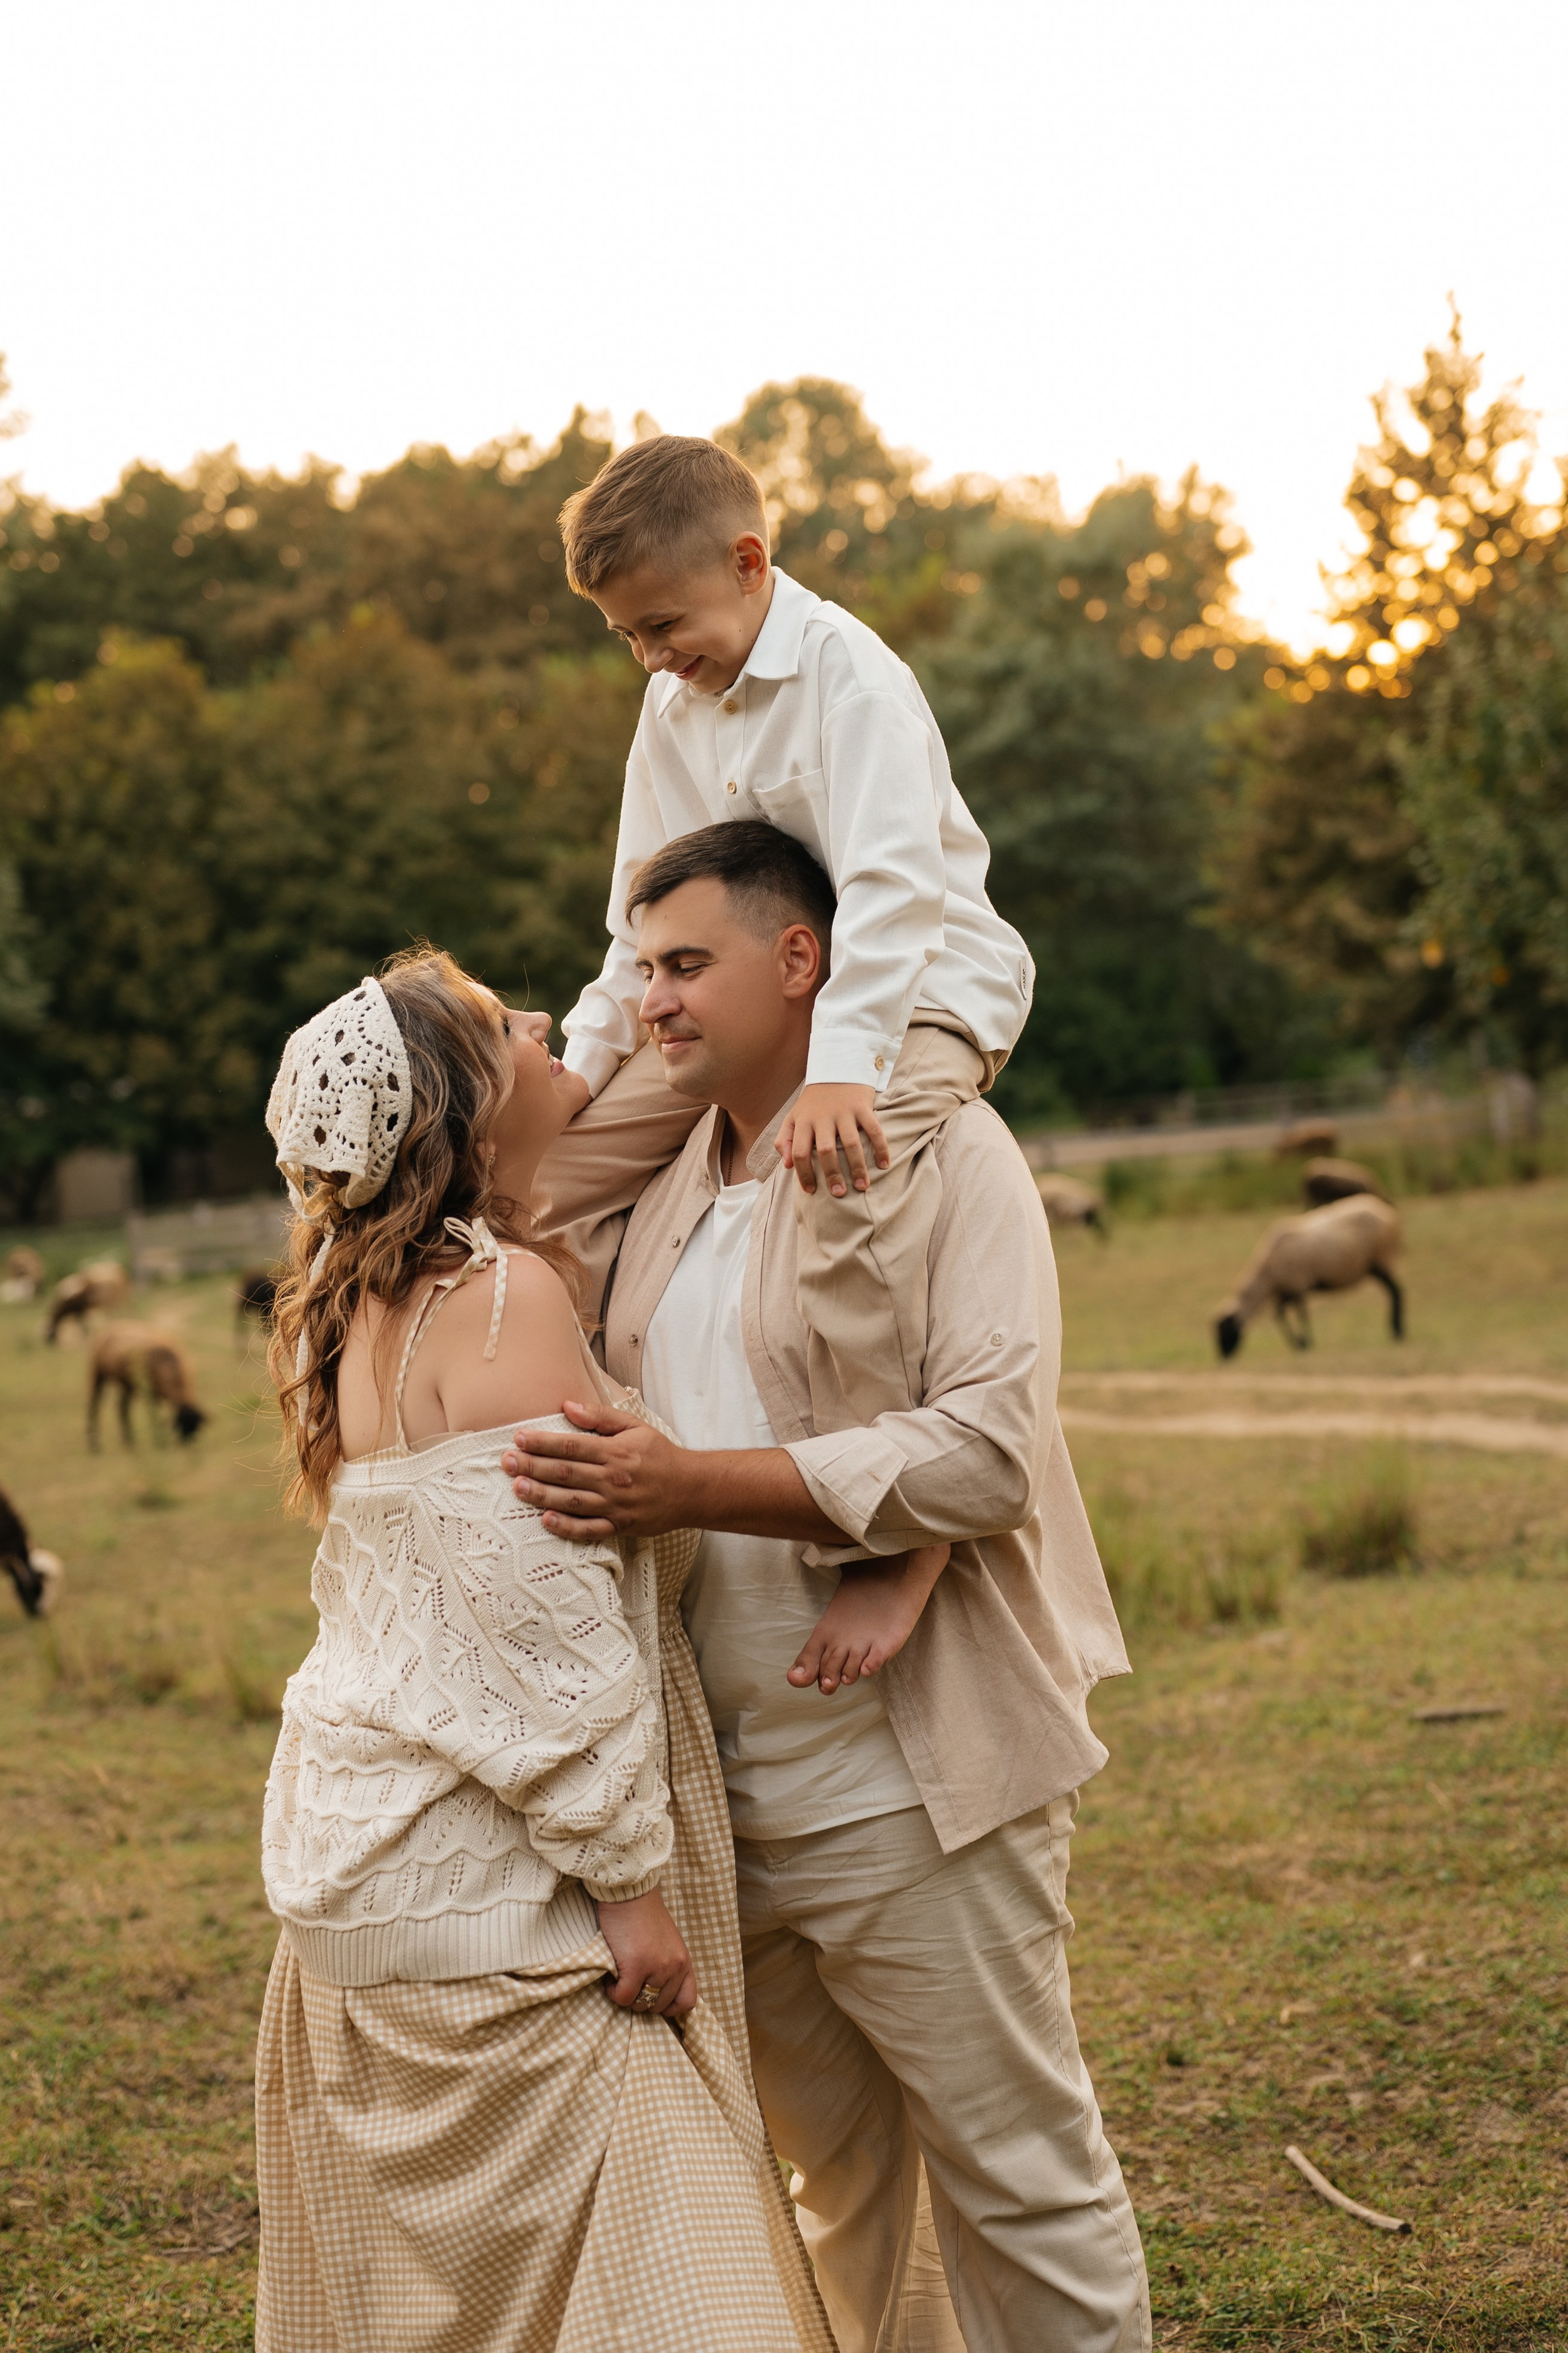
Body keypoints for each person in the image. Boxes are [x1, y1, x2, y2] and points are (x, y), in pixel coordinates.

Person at [517, 825, 1153, 2353]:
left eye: (684, 965)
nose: (650, 1002)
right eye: (643, 967)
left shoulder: (948, 1157)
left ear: (800, 957)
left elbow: (987, 1449)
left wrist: (695, 1487)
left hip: (907, 1783)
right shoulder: (663, 1185)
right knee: (831, 2188)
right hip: (721, 1806)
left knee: (1016, 2178)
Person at [253, 948, 837, 2353]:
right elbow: (547, 1637)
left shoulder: (361, 1299)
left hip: (351, 1852)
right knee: (688, 2295)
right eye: (497, 1020)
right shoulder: (505, 1301)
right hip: (491, 1887)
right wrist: (628, 1889)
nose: (539, 1017)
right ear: (462, 1102)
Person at [551, 433, 1035, 1440]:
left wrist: (844, 1070)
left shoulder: (849, 678)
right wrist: (581, 1069)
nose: (649, 656)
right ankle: (591, 1424)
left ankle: (873, 1506)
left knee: (843, 1179)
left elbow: (894, 890)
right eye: (625, 635)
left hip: (919, 993)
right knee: (553, 1177)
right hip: (746, 998)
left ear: (748, 563)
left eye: (662, 624)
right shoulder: (671, 705)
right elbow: (638, 913)